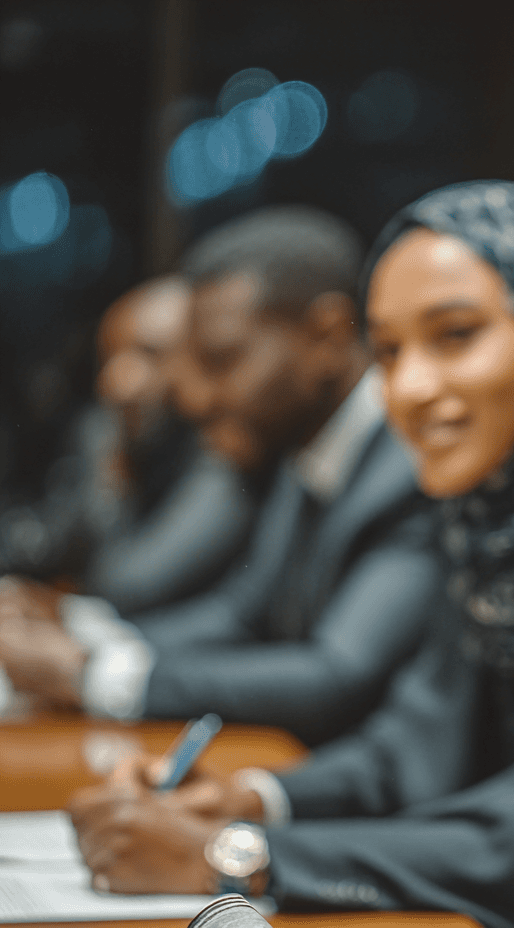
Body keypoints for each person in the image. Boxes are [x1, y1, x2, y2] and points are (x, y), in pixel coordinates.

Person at [68, 181, 514, 928]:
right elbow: (413, 744)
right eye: (388, 351)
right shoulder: (495, 505)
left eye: (454, 335)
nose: (411, 387)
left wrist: (241, 855)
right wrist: (254, 796)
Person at [0, 206, 436, 746]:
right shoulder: (306, 447)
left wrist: (99, 675)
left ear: (326, 337)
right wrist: (84, 643)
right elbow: (242, 614)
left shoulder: (413, 463)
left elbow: (337, 673)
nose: (199, 398)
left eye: (223, 361)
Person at [0, 276, 259, 614]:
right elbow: (56, 534)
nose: (117, 381)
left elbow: (129, 584)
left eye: (149, 354)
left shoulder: (225, 440)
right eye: (108, 357)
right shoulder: (111, 434)